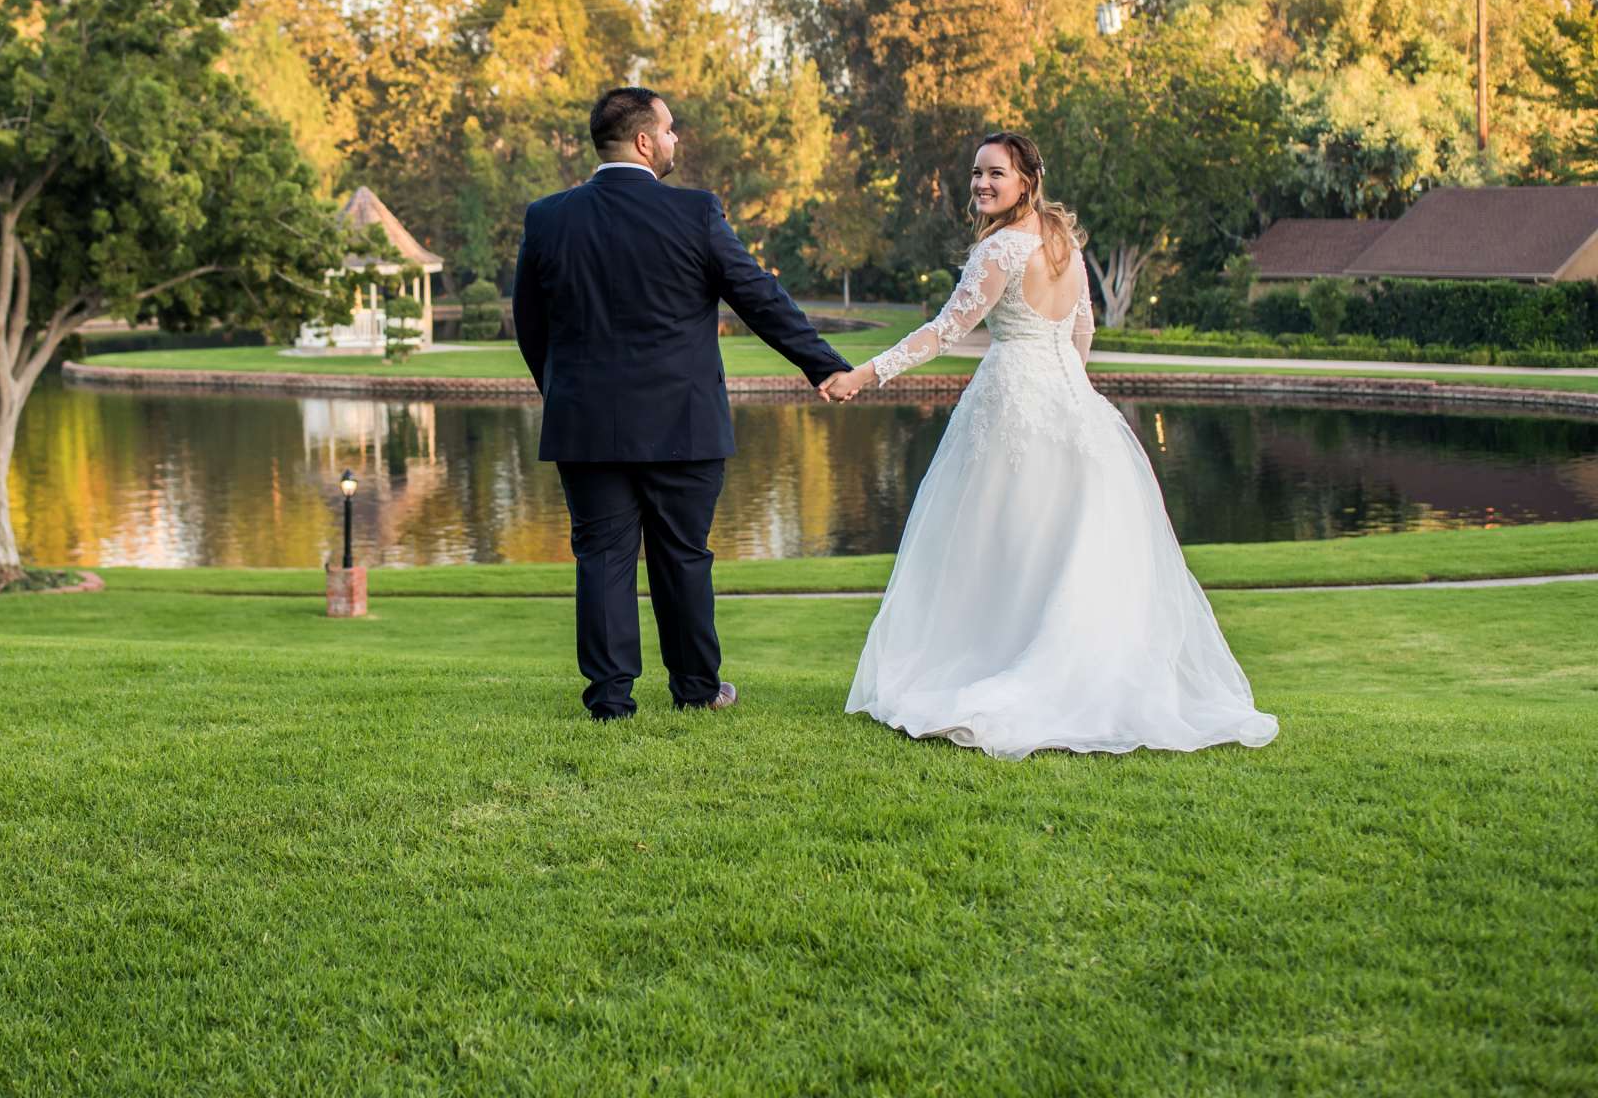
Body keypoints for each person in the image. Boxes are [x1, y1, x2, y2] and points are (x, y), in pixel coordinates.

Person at [817, 131, 1279, 759]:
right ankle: (1066, 666)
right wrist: (1071, 392)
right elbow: (1081, 328)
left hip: (1012, 401)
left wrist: (864, 376)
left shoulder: (1002, 250)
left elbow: (942, 333)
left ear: (1025, 181)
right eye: (976, 173)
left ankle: (1006, 666)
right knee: (1056, 542)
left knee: (1001, 540)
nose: (981, 184)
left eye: (994, 174)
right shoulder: (1062, 243)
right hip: (1071, 405)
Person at [513, 87, 851, 720]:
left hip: (585, 424)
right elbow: (759, 299)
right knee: (684, 557)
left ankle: (610, 700)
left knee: (602, 560)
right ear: (644, 141)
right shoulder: (696, 213)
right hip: (682, 422)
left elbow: (531, 327)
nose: (675, 141)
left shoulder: (548, 217)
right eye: (669, 131)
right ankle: (696, 690)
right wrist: (824, 366)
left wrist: (562, 392)